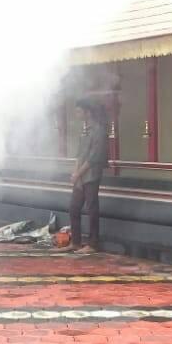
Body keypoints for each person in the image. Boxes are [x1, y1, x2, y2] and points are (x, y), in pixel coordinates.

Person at [68, 98, 108, 252]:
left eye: (79, 111)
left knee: (92, 208)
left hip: (91, 175)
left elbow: (93, 158)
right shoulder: (85, 130)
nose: (77, 114)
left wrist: (78, 173)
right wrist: (75, 172)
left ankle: (93, 243)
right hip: (80, 176)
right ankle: (76, 242)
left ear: (88, 112)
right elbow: (80, 154)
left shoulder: (99, 131)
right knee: (74, 207)